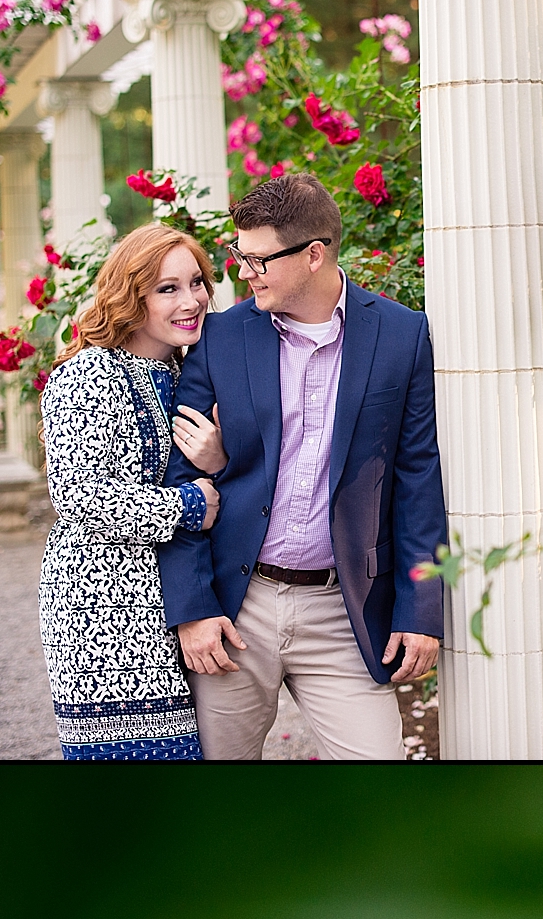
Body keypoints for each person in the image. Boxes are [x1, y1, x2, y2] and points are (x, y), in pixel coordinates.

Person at [159, 173, 448, 761]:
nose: (244, 271)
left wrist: (422, 609)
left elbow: (417, 476)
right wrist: (193, 610)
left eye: (258, 258)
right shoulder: (220, 337)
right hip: (240, 608)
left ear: (314, 254)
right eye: (239, 255)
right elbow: (180, 478)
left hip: (346, 610)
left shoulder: (401, 335)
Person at [38, 222, 227, 761]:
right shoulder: (87, 376)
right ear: (131, 294)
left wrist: (215, 463)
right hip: (103, 616)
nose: (190, 300)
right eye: (167, 288)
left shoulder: (182, 369)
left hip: (175, 602)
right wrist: (194, 503)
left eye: (196, 283)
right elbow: (83, 502)